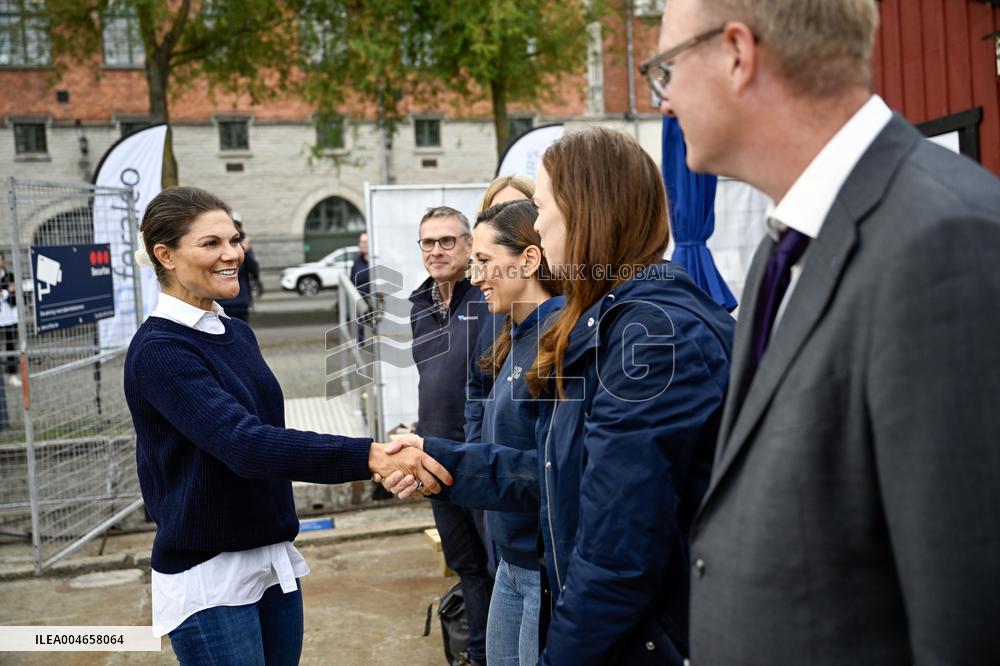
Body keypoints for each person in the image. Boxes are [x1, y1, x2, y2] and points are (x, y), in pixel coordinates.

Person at [645, 1, 1000, 663]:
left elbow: (970, 620)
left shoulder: (944, 243)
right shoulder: (785, 249)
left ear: (737, 53)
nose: (662, 101)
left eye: (666, 68)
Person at [386, 128, 735, 664]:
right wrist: (441, 456)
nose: (539, 226)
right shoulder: (609, 325)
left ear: (585, 213)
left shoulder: (649, 337)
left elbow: (619, 555)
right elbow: (555, 475)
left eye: (543, 207)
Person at [123, 186, 451, 665]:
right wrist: (370, 455)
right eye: (210, 243)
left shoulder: (235, 332)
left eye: (233, 240)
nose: (231, 253)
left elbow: (264, 431)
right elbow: (243, 444)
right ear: (165, 255)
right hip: (210, 575)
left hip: (271, 558)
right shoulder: (160, 350)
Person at [465, 199, 562, 666]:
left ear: (529, 259)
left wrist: (448, 462)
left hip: (542, 570)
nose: (475, 276)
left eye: (484, 261)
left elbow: (550, 470)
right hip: (510, 562)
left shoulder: (561, 340)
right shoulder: (516, 336)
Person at [409, 205, 495, 666]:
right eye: (428, 242)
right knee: (465, 566)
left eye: (447, 241)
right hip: (434, 458)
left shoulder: (487, 299)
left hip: (480, 458)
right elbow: (431, 383)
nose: (437, 250)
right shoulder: (418, 305)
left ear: (468, 246)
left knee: (498, 566)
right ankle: (475, 655)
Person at [216, 212, 259, 323]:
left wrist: (247, 252)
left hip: (240, 301)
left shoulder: (244, 246)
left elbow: (253, 269)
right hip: (219, 302)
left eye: (236, 225)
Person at [349, 232, 371, 344]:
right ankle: (360, 345)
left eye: (365, 242)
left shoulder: (375, 261)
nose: (362, 244)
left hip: (375, 301)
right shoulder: (357, 263)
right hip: (360, 301)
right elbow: (352, 282)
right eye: (361, 242)